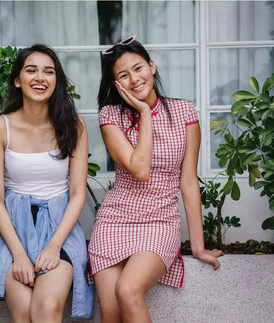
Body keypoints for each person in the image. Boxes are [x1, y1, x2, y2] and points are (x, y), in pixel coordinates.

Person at [87, 35, 224, 323]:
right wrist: (145, 113)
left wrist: (197, 246)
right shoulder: (110, 115)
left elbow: (188, 182)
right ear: (116, 84)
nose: (135, 79)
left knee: (127, 290)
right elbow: (139, 168)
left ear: (152, 66)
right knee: (110, 314)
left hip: (159, 222)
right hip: (115, 220)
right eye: (123, 75)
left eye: (138, 68)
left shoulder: (184, 112)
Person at [0, 44, 93, 322]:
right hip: (12, 233)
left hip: (58, 229)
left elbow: (77, 194)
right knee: (25, 314)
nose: (40, 77)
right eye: (31, 70)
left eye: (48, 72)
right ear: (18, 80)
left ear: (57, 81)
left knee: (48, 309)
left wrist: (54, 247)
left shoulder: (73, 125)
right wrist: (18, 254)